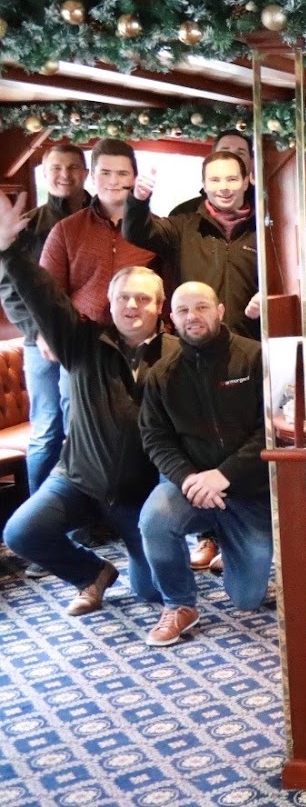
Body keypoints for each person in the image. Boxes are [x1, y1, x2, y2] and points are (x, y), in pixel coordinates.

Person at [0, 193, 171, 617]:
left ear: (159, 306)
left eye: (143, 298)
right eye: (124, 298)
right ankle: (90, 574)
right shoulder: (80, 343)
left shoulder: (175, 356)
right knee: (21, 532)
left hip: (138, 494)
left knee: (150, 591)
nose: (132, 305)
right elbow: (46, 298)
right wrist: (9, 251)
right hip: (77, 481)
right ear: (109, 304)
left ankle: (141, 560)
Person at [137, 282, 269, 646]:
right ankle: (179, 604)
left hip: (248, 491)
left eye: (201, 307)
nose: (192, 316)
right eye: (183, 310)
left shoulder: (255, 358)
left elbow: (273, 429)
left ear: (221, 311)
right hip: (190, 488)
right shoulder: (162, 374)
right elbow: (155, 438)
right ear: (171, 318)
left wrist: (224, 475)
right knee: (154, 520)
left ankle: (227, 545)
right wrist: (189, 478)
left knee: (247, 599)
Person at [0, 142, 89, 501]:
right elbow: (10, 290)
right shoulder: (27, 225)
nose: (64, 175)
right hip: (41, 345)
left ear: (84, 173)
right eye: (56, 168)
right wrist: (40, 334)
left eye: (72, 167)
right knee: (47, 429)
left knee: (81, 428)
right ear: (44, 172)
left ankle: (81, 516)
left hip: (84, 342)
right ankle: (39, 516)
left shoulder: (98, 218)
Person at [123, 151, 259, 336]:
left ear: (245, 182)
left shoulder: (263, 229)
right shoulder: (183, 227)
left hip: (250, 346)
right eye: (215, 180)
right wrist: (138, 199)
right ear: (204, 185)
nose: (224, 187)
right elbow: (136, 233)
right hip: (193, 344)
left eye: (232, 179)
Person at [39, 139, 161, 327]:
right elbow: (48, 294)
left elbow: (170, 288)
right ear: (93, 177)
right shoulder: (66, 229)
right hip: (80, 338)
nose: (113, 181)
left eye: (122, 173)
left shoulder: (157, 229)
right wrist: (49, 333)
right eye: (105, 173)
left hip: (141, 338)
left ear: (134, 179)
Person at [169, 130, 255, 217]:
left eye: (240, 153)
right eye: (225, 152)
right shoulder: (183, 213)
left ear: (252, 163)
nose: (232, 158)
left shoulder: (263, 210)